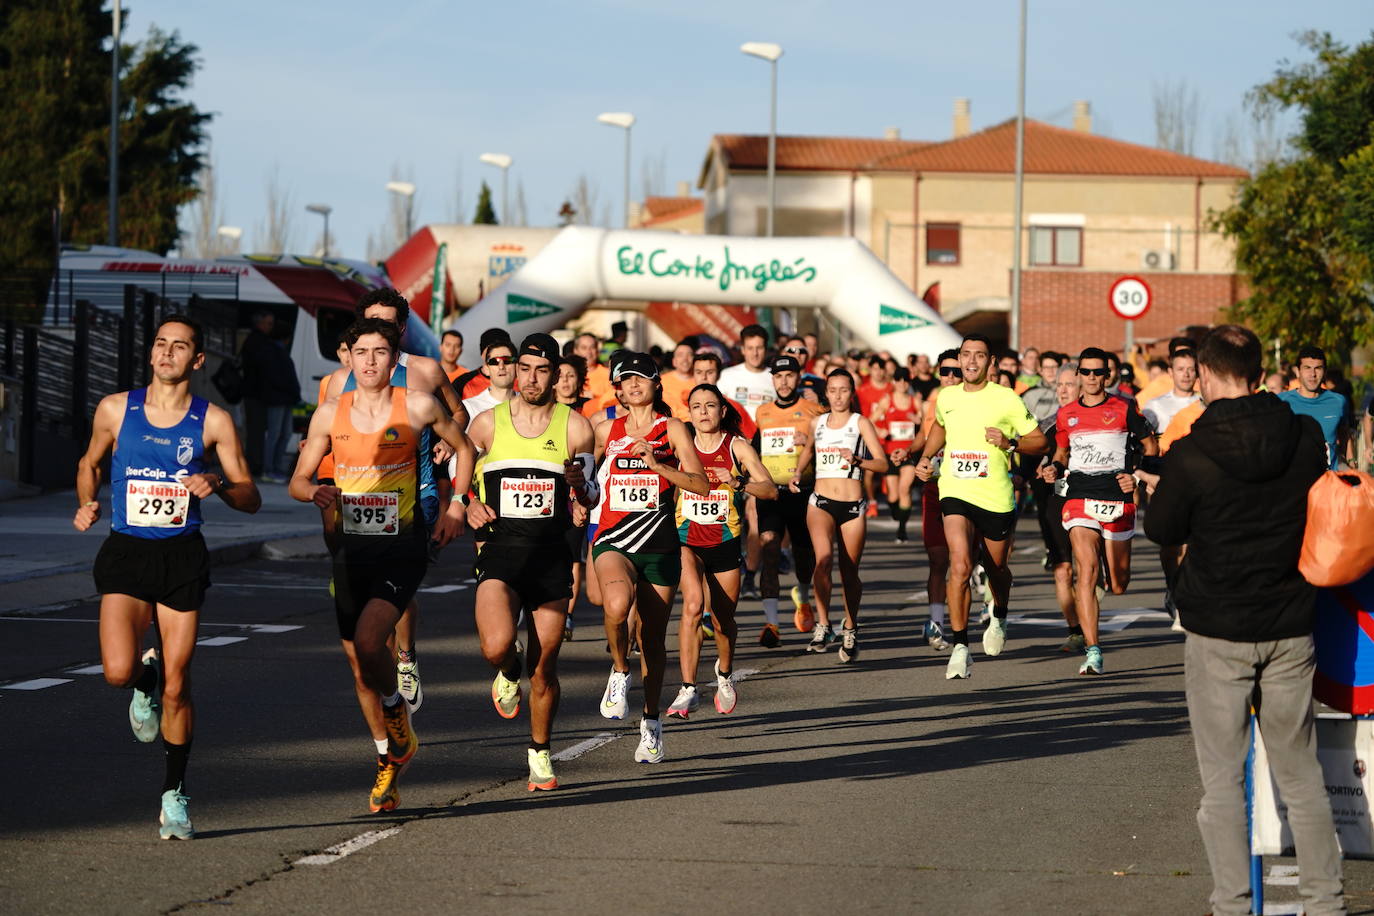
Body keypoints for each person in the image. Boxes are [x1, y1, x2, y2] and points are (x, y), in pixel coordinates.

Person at [1141, 325, 1343, 916]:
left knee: (1222, 782)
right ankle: (1324, 901)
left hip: (1218, 626)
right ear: (1260, 373)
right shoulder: (1304, 437)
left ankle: (1231, 903)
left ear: (1202, 374)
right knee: (1301, 772)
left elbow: (1162, 530)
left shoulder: (1193, 452)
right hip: (1290, 619)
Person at [74, 314, 262, 840]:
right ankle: (142, 678)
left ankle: (174, 795)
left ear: (197, 360)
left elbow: (251, 497)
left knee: (180, 688)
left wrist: (217, 481)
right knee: (115, 671)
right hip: (127, 554)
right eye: (160, 344)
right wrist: (87, 501)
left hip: (182, 558)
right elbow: (88, 462)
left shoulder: (213, 421)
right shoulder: (116, 409)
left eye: (179, 347)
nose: (166, 353)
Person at [291, 318, 475, 813]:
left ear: (394, 360)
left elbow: (464, 448)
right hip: (352, 545)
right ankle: (389, 757)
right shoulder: (330, 413)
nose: (369, 361)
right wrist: (315, 491)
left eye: (380, 353)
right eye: (361, 352)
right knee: (360, 659)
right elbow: (299, 479)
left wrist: (458, 505)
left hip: (404, 541)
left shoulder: (416, 405)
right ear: (347, 358)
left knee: (373, 641)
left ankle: (396, 711)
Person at [323, 289, 467, 716]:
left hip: (415, 494)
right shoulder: (337, 380)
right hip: (354, 500)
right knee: (366, 597)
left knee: (394, 581)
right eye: (369, 324)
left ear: (401, 330)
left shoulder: (423, 371)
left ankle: (403, 658)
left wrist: (447, 447)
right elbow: (328, 439)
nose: (377, 333)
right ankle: (386, 668)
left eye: (387, 324)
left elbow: (457, 415)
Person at [464, 333, 597, 790]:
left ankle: (540, 752)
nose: (531, 378)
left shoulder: (576, 427)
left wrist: (579, 488)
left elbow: (591, 494)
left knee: (545, 669)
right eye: (524, 368)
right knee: (496, 646)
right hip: (499, 553)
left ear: (556, 374)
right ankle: (505, 670)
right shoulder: (485, 424)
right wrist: (467, 503)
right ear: (514, 371)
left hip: (551, 558)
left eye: (542, 370)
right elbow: (459, 478)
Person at [592, 353, 709, 763]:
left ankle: (651, 723)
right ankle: (620, 671)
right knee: (617, 605)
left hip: (658, 544)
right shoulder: (604, 429)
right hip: (613, 538)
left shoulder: (673, 428)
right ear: (617, 389)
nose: (633, 384)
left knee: (653, 640)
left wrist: (658, 465)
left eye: (641, 378)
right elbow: (583, 477)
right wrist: (575, 490)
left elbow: (700, 483)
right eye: (626, 379)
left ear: (656, 384)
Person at [914, 334, 1048, 679]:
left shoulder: (1006, 399)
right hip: (955, 489)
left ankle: (999, 615)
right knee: (959, 565)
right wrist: (926, 457)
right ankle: (960, 647)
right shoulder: (947, 396)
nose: (971, 361)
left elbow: (1039, 441)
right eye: (966, 355)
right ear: (959, 359)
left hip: (995, 496)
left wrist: (1010, 442)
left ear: (992, 363)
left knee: (997, 568)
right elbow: (940, 427)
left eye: (979, 356)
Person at [1040, 347, 1156, 675]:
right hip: (1079, 495)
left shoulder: (1125, 407)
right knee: (1085, 570)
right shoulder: (1066, 415)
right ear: (1078, 374)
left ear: (1107, 375)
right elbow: (1062, 453)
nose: (1092, 378)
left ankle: (1109, 573)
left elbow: (1151, 446)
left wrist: (1133, 471)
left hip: (1117, 497)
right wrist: (1053, 467)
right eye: (1086, 372)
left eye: (1097, 372)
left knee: (1118, 584)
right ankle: (1093, 650)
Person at [666, 384, 775, 717]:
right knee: (693, 607)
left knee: (724, 620)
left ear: (722, 411)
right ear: (689, 412)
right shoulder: (681, 446)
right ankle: (687, 688)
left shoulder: (737, 447)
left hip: (725, 542)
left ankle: (724, 674)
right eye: (696, 405)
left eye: (710, 405)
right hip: (686, 539)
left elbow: (770, 490)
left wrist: (737, 481)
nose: (703, 411)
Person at [792, 368, 889, 661]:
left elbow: (882, 464)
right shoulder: (817, 423)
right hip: (820, 501)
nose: (837, 396)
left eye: (843, 390)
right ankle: (823, 624)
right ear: (826, 393)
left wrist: (859, 460)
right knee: (822, 562)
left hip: (851, 505)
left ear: (852, 392)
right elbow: (809, 450)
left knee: (849, 572)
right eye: (832, 390)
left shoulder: (861, 423)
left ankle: (850, 625)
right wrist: (797, 472)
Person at [753, 355, 826, 646]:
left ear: (798, 378)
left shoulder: (814, 411)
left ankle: (804, 596)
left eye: (789, 375)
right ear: (772, 379)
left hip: (803, 492)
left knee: (803, 555)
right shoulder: (762, 412)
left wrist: (810, 442)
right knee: (769, 549)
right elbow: (754, 448)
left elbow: (831, 446)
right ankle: (772, 624)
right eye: (778, 376)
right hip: (771, 493)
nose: (783, 381)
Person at [909, 349, 962, 650]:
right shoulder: (933, 401)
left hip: (968, 490)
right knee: (938, 559)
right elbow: (924, 435)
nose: (951, 377)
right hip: (936, 487)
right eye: (945, 372)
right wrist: (912, 451)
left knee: (966, 561)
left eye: (956, 371)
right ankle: (937, 623)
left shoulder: (976, 402)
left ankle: (980, 615)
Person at [1029, 364, 1084, 652]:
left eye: (1070, 385)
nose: (1062, 390)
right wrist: (1034, 471)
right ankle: (1076, 630)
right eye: (1060, 385)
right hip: (1054, 503)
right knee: (1063, 570)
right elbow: (1028, 462)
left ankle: (1089, 613)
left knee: (1091, 571)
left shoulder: (1097, 422)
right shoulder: (1046, 425)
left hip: (1089, 503)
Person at [238, 309, 300, 481]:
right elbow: (271, 373)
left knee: (279, 433)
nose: (270, 327)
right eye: (268, 324)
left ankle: (269, 467)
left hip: (276, 395)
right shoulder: (262, 344)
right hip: (271, 396)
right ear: (260, 323)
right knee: (271, 434)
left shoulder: (265, 344)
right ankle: (266, 469)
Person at [1279, 345, 1349, 470]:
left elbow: (1345, 435)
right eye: (1307, 368)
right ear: (1297, 371)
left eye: (1318, 368)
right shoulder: (1281, 402)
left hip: (1328, 482)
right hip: (1294, 482)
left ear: (1325, 371)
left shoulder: (1338, 401)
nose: (1313, 374)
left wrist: (1350, 461)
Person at [873, 367, 921, 541]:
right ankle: (896, 512)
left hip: (908, 453)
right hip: (890, 453)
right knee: (892, 495)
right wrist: (880, 432)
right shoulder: (887, 400)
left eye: (905, 380)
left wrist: (918, 421)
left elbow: (925, 424)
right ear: (894, 382)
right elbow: (870, 421)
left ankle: (902, 529)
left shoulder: (914, 401)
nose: (902, 383)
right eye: (899, 380)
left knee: (904, 488)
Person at [856, 356, 893, 517]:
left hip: (891, 438)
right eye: (875, 369)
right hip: (871, 438)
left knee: (891, 474)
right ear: (870, 370)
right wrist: (875, 430)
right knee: (869, 472)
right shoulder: (862, 391)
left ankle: (891, 497)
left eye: (881, 369)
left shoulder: (891, 388)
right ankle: (872, 501)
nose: (878, 372)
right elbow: (860, 415)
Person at [717, 324, 776, 421]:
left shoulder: (776, 377)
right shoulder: (727, 375)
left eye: (759, 348)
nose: (755, 353)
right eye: (750, 348)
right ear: (743, 350)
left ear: (765, 349)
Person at [1142, 349, 1200, 436]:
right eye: (1180, 369)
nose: (1186, 374)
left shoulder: (1206, 404)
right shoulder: (1154, 405)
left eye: (1191, 369)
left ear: (1197, 373)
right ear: (1170, 372)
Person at [660, 340, 697, 421]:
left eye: (689, 355)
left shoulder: (700, 381)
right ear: (674, 361)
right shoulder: (662, 381)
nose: (685, 359)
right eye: (680, 355)